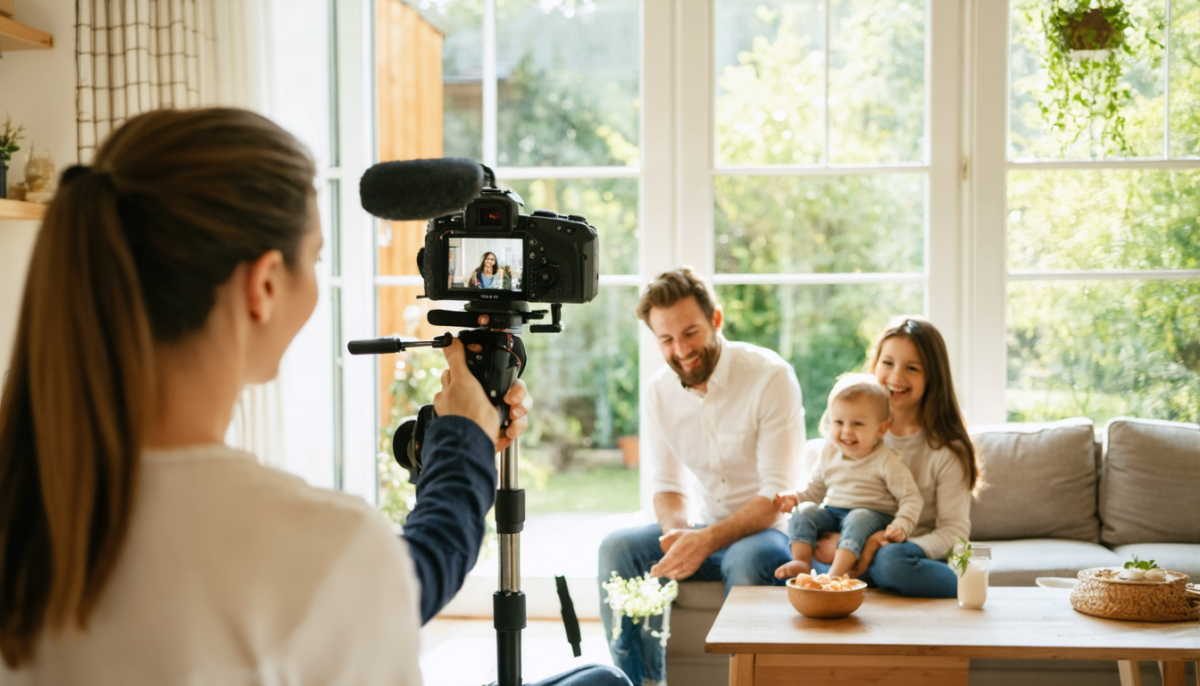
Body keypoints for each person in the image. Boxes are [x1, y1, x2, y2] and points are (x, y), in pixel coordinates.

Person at [0, 108, 628, 686]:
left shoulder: (30, 503)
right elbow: (413, 577)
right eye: (316, 258)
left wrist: (459, 437)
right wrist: (463, 439)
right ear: (264, 286)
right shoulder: (313, 543)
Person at [598, 267, 803, 686]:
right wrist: (678, 534)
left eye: (690, 333)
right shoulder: (659, 390)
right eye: (666, 339)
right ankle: (640, 683)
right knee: (617, 548)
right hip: (705, 529)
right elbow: (668, 486)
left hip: (769, 533)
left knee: (747, 559)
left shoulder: (770, 375)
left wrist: (704, 541)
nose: (681, 350)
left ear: (716, 319)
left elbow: (775, 495)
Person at [809, 316, 978, 598]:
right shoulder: (853, 431)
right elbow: (829, 496)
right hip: (851, 540)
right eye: (887, 363)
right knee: (806, 538)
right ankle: (853, 573)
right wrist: (848, 542)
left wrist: (884, 543)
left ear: (932, 377)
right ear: (875, 365)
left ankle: (961, 585)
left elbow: (954, 532)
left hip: (907, 553)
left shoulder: (946, 449)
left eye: (912, 368)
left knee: (889, 561)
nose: (896, 377)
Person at [771, 374, 922, 580]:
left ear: (881, 429)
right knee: (804, 510)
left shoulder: (887, 460)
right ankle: (802, 562)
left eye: (858, 423)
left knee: (857, 517)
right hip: (834, 514)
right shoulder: (829, 453)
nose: (847, 431)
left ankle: (835, 574)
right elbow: (815, 489)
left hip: (872, 517)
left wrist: (902, 524)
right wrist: (796, 498)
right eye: (839, 422)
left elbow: (911, 498)